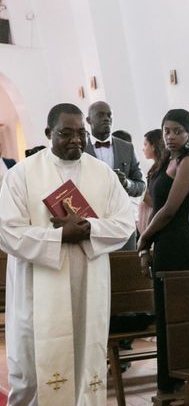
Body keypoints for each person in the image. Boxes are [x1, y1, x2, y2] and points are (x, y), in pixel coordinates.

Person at [0, 103, 135, 405]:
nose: (76, 140)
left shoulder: (102, 174)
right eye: (66, 134)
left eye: (80, 134)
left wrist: (88, 229)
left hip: (89, 288)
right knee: (33, 375)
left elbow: (125, 223)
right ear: (49, 133)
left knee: (87, 364)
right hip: (37, 292)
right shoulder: (21, 175)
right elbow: (7, 231)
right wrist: (59, 237)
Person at [137, 109, 189, 394]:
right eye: (166, 131)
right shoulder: (166, 161)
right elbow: (151, 206)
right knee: (162, 314)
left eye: (178, 131)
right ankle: (167, 384)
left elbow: (169, 210)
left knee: (175, 315)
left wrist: (143, 240)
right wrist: (146, 245)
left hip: (178, 242)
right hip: (162, 242)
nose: (171, 136)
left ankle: (176, 382)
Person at [85, 101, 145, 250]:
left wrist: (126, 184)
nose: (106, 119)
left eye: (109, 115)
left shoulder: (126, 147)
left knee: (126, 269)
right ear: (88, 120)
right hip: (92, 224)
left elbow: (141, 185)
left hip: (123, 224)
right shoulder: (80, 149)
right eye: (100, 115)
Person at [138, 129, 164, 233]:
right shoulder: (154, 168)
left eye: (145, 144)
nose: (143, 149)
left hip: (152, 217)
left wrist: (139, 189)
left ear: (153, 146)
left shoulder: (161, 169)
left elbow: (155, 202)